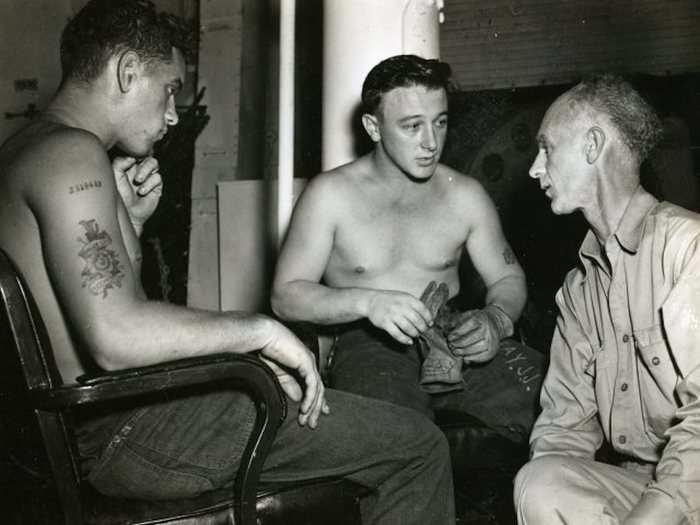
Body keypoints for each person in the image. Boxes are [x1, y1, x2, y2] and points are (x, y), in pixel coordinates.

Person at [0, 2, 456, 523]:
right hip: (126, 433)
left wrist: (131, 221)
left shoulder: (25, 151)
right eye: (169, 88)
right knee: (416, 447)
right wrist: (259, 332)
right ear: (127, 71)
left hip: (100, 431)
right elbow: (114, 334)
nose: (173, 114)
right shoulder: (73, 155)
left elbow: (91, 310)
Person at [272, 54, 543, 444]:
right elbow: (286, 296)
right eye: (412, 127)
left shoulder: (465, 195)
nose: (431, 143)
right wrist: (368, 303)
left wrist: (495, 320)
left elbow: (506, 275)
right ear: (373, 127)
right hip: (369, 342)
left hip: (455, 332)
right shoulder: (330, 195)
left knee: (561, 407)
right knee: (398, 442)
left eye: (440, 122)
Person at [513, 74, 700, 524]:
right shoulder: (580, 291)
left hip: (687, 485)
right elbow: (562, 433)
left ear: (593, 145)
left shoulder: (686, 249)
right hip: (647, 485)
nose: (535, 168)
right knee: (540, 483)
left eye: (547, 148)